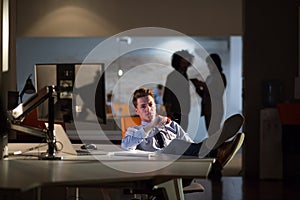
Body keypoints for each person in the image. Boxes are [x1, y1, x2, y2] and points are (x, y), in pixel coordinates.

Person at [121, 87, 244, 183]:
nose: (148, 109)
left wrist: (167, 124)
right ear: (136, 111)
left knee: (191, 147)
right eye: (143, 106)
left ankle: (215, 149)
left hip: (182, 173)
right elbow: (126, 146)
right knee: (175, 144)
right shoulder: (134, 131)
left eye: (150, 104)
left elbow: (191, 147)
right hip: (156, 173)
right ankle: (217, 152)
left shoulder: (171, 125)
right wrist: (151, 126)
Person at [163, 50, 194, 131]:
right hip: (175, 112)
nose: (186, 65)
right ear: (178, 62)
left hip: (184, 111)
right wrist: (169, 112)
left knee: (182, 134)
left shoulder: (184, 74)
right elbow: (167, 96)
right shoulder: (173, 76)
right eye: (183, 62)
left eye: (187, 62)